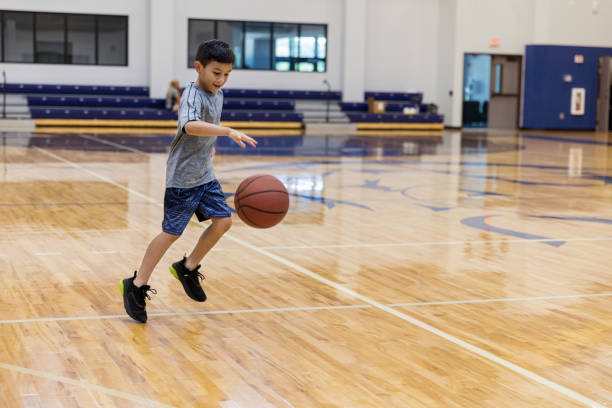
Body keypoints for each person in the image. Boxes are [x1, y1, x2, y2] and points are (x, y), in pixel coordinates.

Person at [120, 39, 257, 323]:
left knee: (223, 221)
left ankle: (187, 266)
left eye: (227, 74)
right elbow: (190, 125)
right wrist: (226, 131)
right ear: (199, 68)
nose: (221, 80)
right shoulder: (191, 94)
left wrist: (211, 146)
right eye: (216, 73)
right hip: (182, 178)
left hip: (204, 174)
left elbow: (203, 133)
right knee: (172, 232)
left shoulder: (217, 96)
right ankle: (135, 285)